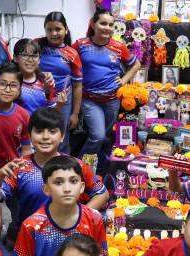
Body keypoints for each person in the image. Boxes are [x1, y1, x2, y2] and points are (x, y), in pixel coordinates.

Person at [0, 107, 108, 244]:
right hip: (27, 239)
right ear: (30, 135)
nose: (45, 136)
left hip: (68, 241)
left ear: (62, 136)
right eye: (39, 131)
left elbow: (102, 193)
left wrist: (82, 216)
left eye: (52, 131)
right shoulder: (19, 167)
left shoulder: (75, 165)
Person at [73, 7, 141, 162]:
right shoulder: (80, 44)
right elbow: (67, 60)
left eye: (111, 25)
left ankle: (100, 168)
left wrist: (124, 80)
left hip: (112, 100)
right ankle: (78, 165)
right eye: (103, 23)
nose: (107, 28)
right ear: (93, 24)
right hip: (89, 99)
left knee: (106, 137)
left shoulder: (118, 46)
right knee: (98, 136)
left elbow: (136, 64)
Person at [38, 12, 83, 153]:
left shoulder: (72, 53)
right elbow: (23, 65)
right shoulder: (36, 45)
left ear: (66, 29)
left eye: (58, 29)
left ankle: (62, 170)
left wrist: (75, 114)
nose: (53, 33)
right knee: (38, 133)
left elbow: (77, 85)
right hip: (37, 98)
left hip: (62, 101)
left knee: (61, 136)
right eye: (49, 30)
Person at [13, 38, 59, 115]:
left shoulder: (46, 81)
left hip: (40, 125)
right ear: (15, 58)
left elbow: (50, 111)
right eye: (24, 55)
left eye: (34, 56)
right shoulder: (9, 80)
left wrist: (60, 104)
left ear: (39, 59)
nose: (30, 60)